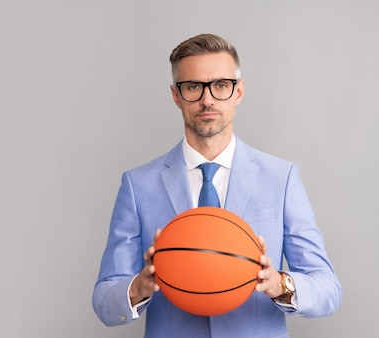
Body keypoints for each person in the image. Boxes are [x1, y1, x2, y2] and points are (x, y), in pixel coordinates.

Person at [92, 34, 342, 338]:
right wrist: (138, 287)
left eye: (220, 85)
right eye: (193, 87)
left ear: (239, 92)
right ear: (176, 95)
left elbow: (328, 288)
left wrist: (281, 284)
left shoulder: (281, 178)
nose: (207, 99)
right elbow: (104, 299)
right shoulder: (138, 185)